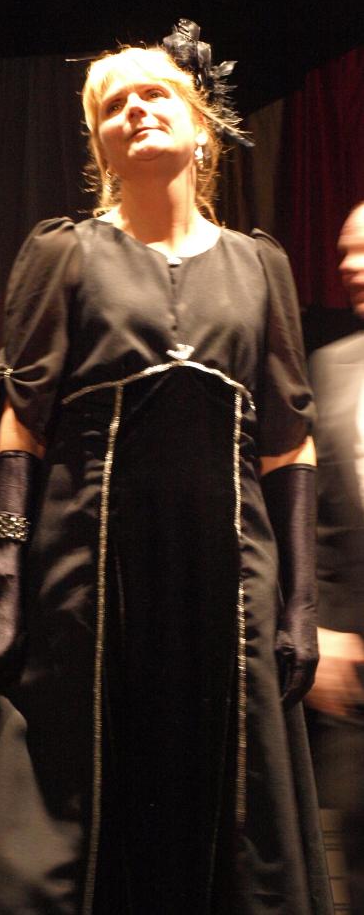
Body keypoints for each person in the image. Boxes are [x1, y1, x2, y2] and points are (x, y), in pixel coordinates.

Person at [0, 21, 332, 914]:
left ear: (201, 128)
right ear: (100, 146)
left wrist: (303, 603)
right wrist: (2, 582)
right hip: (87, 576)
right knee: (79, 809)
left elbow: (288, 441)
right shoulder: (65, 252)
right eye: (113, 106)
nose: (135, 111)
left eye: (154, 94)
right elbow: (22, 426)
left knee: (228, 810)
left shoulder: (259, 264)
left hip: (230, 583)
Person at [306, 202, 364, 914]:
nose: (349, 265)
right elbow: (317, 520)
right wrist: (320, 625)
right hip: (355, 667)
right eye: (345, 251)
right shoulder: (330, 367)